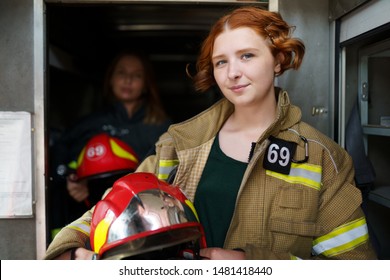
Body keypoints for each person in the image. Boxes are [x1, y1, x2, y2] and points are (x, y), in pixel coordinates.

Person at [45, 6, 377, 260]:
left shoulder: (323, 158)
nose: (233, 73)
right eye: (221, 62)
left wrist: (252, 265)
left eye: (247, 56)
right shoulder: (180, 143)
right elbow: (113, 207)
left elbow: (354, 267)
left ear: (277, 60)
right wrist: (69, 249)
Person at [48, 50, 172, 238]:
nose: (128, 80)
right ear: (110, 79)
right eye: (121, 73)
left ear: (146, 84)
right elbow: (61, 155)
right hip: (97, 219)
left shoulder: (163, 128)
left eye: (136, 75)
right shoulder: (91, 123)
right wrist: (71, 182)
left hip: (150, 221)